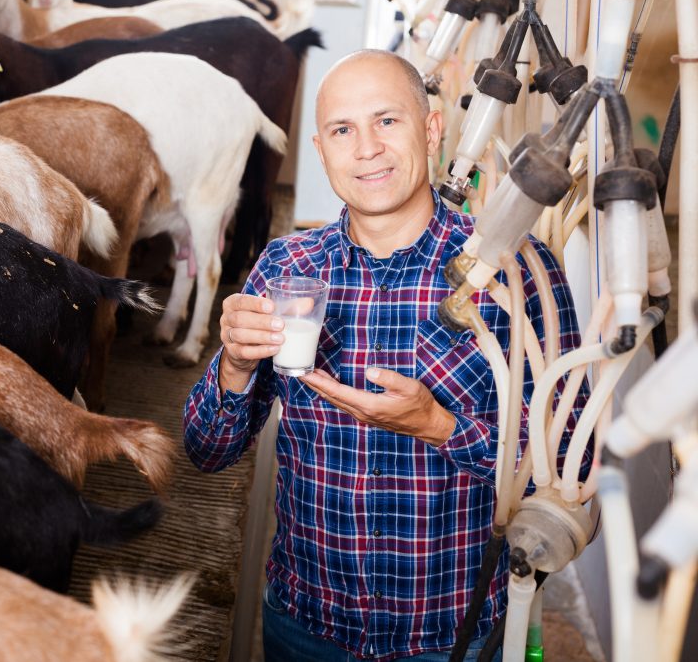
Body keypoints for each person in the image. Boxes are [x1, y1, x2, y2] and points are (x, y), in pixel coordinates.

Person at [182, 50, 590, 660]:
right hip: (304, 623)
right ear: (320, 151)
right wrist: (234, 368)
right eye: (343, 130)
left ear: (430, 130)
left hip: (449, 632)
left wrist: (440, 427)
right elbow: (206, 452)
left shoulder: (515, 270)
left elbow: (570, 472)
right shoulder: (287, 267)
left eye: (387, 121)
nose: (366, 148)